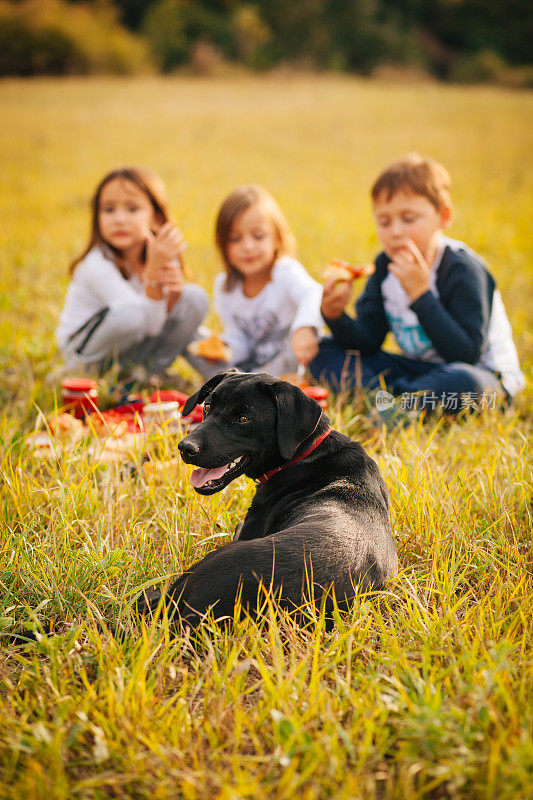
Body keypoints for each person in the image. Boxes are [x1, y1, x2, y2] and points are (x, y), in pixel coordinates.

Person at [310, 154, 525, 413]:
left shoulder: (462, 269)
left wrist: (420, 294)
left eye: (409, 219)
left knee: (465, 382)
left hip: (484, 379)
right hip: (418, 371)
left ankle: (392, 402)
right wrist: (335, 316)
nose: (396, 231)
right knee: (322, 349)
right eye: (384, 221)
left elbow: (465, 354)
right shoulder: (385, 266)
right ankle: (396, 403)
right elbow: (368, 341)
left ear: (443, 217)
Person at [56, 166, 209, 380]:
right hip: (88, 352)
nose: (119, 219)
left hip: (131, 347)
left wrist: (173, 297)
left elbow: (162, 319)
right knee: (132, 313)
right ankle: (78, 373)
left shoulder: (161, 252)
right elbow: (143, 322)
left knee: (194, 298)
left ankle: (144, 374)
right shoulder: (97, 264)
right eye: (109, 210)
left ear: (156, 217)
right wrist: (153, 277)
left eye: (132, 209)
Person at [189, 184, 323, 379]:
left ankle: (249, 385)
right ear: (222, 244)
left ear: (277, 238)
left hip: (286, 364)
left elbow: (313, 292)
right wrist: (225, 349)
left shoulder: (285, 272)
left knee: (292, 352)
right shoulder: (225, 286)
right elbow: (239, 341)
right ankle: (243, 383)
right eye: (235, 239)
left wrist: (304, 329)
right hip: (248, 367)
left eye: (258, 236)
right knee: (193, 337)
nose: (248, 246)